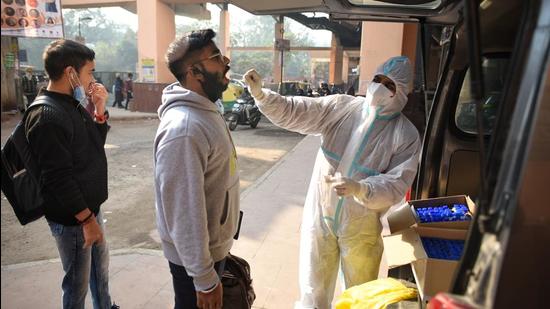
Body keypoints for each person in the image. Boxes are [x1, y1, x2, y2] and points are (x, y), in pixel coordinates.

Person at [244, 56, 421, 309]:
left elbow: (396, 184)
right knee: (312, 289)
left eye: (389, 85)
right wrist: (262, 96)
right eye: (377, 79)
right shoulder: (342, 107)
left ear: (402, 93)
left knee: (359, 293)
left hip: (361, 226)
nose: (380, 87)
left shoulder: (405, 135)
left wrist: (362, 188)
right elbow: (299, 110)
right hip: (321, 217)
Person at [24, 39, 118, 309]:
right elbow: (58, 178)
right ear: (71, 73)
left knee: (100, 274)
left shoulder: (71, 103)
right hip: (73, 219)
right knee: (77, 286)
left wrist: (99, 112)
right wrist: (87, 220)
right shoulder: (47, 116)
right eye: (90, 72)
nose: (93, 79)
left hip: (89, 210)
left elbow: (92, 146)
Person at [154, 29, 240, 309]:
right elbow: (184, 210)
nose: (226, 61)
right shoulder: (185, 130)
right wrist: (203, 278)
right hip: (195, 263)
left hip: (209, 250)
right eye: (216, 57)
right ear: (195, 72)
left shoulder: (205, 110)